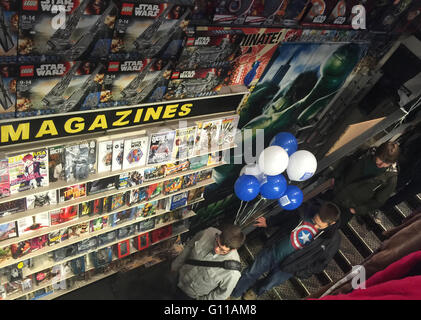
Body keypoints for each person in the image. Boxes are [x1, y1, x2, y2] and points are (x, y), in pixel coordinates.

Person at [230, 200, 341, 300]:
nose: (315, 226)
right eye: (315, 221)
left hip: (289, 268)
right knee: (251, 272)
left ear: (332, 223)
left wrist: (300, 272)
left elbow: (321, 264)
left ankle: (254, 291)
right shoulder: (306, 210)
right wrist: (269, 222)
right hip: (273, 250)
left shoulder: (332, 240)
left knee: (269, 284)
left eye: (319, 226)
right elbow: (286, 216)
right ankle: (235, 294)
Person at [330, 141, 400, 227]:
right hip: (336, 190)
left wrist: (356, 210)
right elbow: (347, 161)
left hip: (348, 207)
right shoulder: (365, 152)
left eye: (387, 163)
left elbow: (379, 200)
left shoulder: (391, 178)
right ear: (377, 153)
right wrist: (335, 176)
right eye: (381, 159)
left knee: (330, 229)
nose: (382, 164)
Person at [170, 224, 245, 300]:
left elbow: (221, 294)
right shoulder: (208, 232)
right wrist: (176, 265)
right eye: (217, 242)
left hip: (190, 296)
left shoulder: (232, 273)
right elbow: (189, 246)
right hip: (179, 276)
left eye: (222, 250)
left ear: (233, 250)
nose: (216, 249)